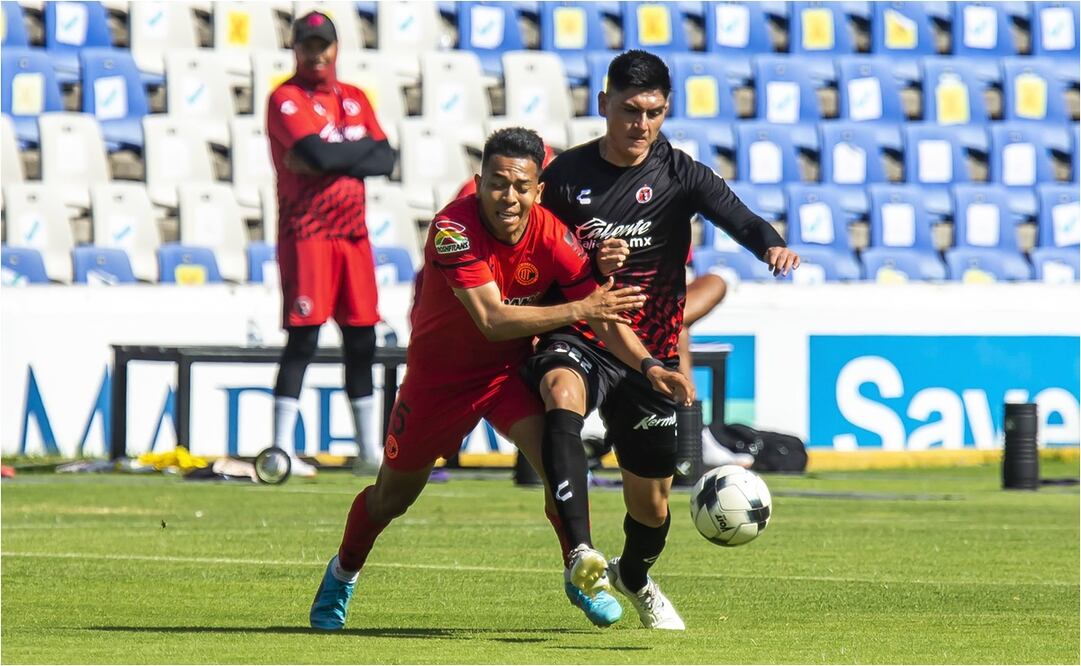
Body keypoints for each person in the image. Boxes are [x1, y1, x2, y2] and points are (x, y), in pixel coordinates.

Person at [308, 128, 694, 630]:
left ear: (537, 190)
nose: (507, 197)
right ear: (479, 181)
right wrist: (579, 306)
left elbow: (603, 318)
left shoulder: (554, 234)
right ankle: (343, 572)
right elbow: (491, 319)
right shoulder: (453, 229)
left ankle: (580, 567)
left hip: (506, 374)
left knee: (558, 456)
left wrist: (650, 366)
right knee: (391, 498)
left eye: (520, 186)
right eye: (497, 183)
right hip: (439, 383)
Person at [524, 50, 800, 630]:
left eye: (653, 112)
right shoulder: (564, 178)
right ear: (604, 105)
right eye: (629, 110)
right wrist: (584, 266)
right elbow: (532, 257)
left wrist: (769, 244)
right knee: (561, 390)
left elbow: (740, 217)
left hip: (650, 356)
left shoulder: (681, 174)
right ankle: (580, 553)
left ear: (666, 109)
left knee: (651, 506)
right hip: (582, 329)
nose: (641, 124)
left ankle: (636, 574)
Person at [265, 12, 395, 477]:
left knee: (362, 338)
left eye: (323, 44)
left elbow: (386, 157)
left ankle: (366, 451)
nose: (316, 53)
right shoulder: (284, 97)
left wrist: (329, 157)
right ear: (295, 48)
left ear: (336, 48)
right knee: (303, 337)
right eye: (307, 45)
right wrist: (349, 154)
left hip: (353, 235)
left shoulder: (355, 97)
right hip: (308, 233)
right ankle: (279, 451)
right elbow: (329, 152)